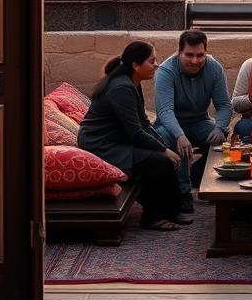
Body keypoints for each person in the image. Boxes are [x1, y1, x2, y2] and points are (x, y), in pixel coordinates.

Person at [77, 41, 188, 231]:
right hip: (101, 144)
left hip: (118, 139)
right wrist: (164, 150)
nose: (156, 65)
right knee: (159, 161)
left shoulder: (132, 82)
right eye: (151, 61)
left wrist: (164, 146)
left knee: (165, 156)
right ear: (136, 65)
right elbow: (136, 132)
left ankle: (171, 210)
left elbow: (144, 122)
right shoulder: (121, 87)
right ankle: (153, 218)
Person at [154, 30, 232, 213]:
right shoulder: (166, 71)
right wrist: (179, 135)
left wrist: (219, 128)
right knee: (173, 141)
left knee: (223, 141)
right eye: (189, 55)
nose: (195, 61)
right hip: (170, 125)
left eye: (200, 55)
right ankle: (183, 192)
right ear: (179, 52)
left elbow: (224, 105)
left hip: (200, 122)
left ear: (206, 53)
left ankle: (203, 178)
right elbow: (165, 111)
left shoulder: (214, 68)